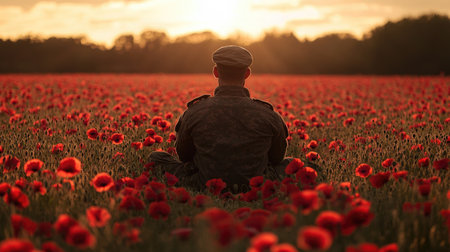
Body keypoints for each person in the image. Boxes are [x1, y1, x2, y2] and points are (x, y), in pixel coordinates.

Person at [149, 45, 292, 193]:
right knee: (297, 165)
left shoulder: (195, 111)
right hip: (257, 184)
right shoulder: (268, 115)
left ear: (216, 72)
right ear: (247, 74)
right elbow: (277, 158)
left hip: (202, 183)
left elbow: (184, 156)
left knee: (156, 158)